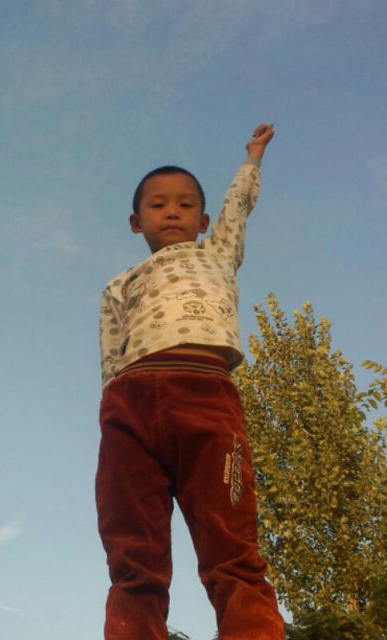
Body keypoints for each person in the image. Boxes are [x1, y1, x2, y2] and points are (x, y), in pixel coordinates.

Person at [96, 123, 284, 640]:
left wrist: (253, 157)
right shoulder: (120, 284)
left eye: (185, 204)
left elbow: (238, 206)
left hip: (207, 397)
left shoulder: (217, 254)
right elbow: (111, 355)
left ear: (203, 221)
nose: (172, 212)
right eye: (158, 205)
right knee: (133, 552)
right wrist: (110, 415)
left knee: (232, 547)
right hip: (131, 405)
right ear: (136, 222)